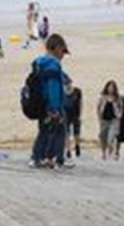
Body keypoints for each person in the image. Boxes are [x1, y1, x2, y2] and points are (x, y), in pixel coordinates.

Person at [28, 33, 71, 169]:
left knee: (45, 131)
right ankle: (55, 159)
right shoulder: (52, 64)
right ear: (57, 48)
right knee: (58, 132)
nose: (63, 55)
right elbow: (52, 88)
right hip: (51, 105)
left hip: (42, 104)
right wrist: (54, 108)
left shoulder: (40, 63)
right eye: (63, 51)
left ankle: (40, 158)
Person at [97, 80, 123, 160]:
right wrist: (99, 117)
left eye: (112, 88)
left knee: (111, 137)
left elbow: (121, 107)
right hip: (104, 120)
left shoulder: (118, 98)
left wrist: (119, 115)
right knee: (102, 137)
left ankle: (111, 148)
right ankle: (103, 152)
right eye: (109, 87)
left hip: (113, 120)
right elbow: (98, 107)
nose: (111, 89)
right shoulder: (102, 97)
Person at [64, 77, 83, 162]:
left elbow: (80, 103)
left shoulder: (77, 91)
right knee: (67, 133)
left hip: (75, 114)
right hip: (66, 116)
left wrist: (80, 114)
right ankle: (68, 150)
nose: (68, 85)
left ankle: (77, 145)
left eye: (69, 83)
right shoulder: (62, 92)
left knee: (76, 132)